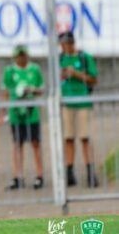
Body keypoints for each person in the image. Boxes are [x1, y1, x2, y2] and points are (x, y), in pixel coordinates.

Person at [0, 45, 44, 190]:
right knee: (17, 145)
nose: (21, 58)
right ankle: (18, 176)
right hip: (16, 113)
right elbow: (5, 92)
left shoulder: (35, 69)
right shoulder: (9, 71)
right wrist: (3, 112)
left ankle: (39, 175)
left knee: (35, 143)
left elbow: (41, 89)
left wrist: (31, 90)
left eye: (23, 55)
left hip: (31, 113)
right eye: (18, 56)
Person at [58, 31, 99, 188]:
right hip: (67, 103)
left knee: (85, 137)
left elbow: (93, 79)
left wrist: (75, 74)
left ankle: (90, 171)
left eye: (66, 44)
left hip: (83, 102)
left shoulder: (84, 57)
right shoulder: (61, 58)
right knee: (68, 137)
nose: (64, 47)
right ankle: (69, 172)